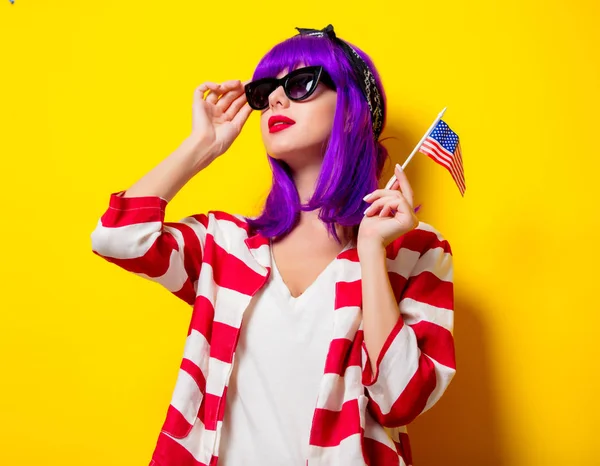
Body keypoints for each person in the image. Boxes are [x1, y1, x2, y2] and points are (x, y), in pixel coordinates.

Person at [91, 24, 456, 466]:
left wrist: (371, 251)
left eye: (301, 84)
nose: (277, 101)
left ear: (351, 110)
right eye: (266, 92)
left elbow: (400, 401)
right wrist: (201, 146)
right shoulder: (225, 245)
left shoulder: (414, 251)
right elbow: (118, 239)